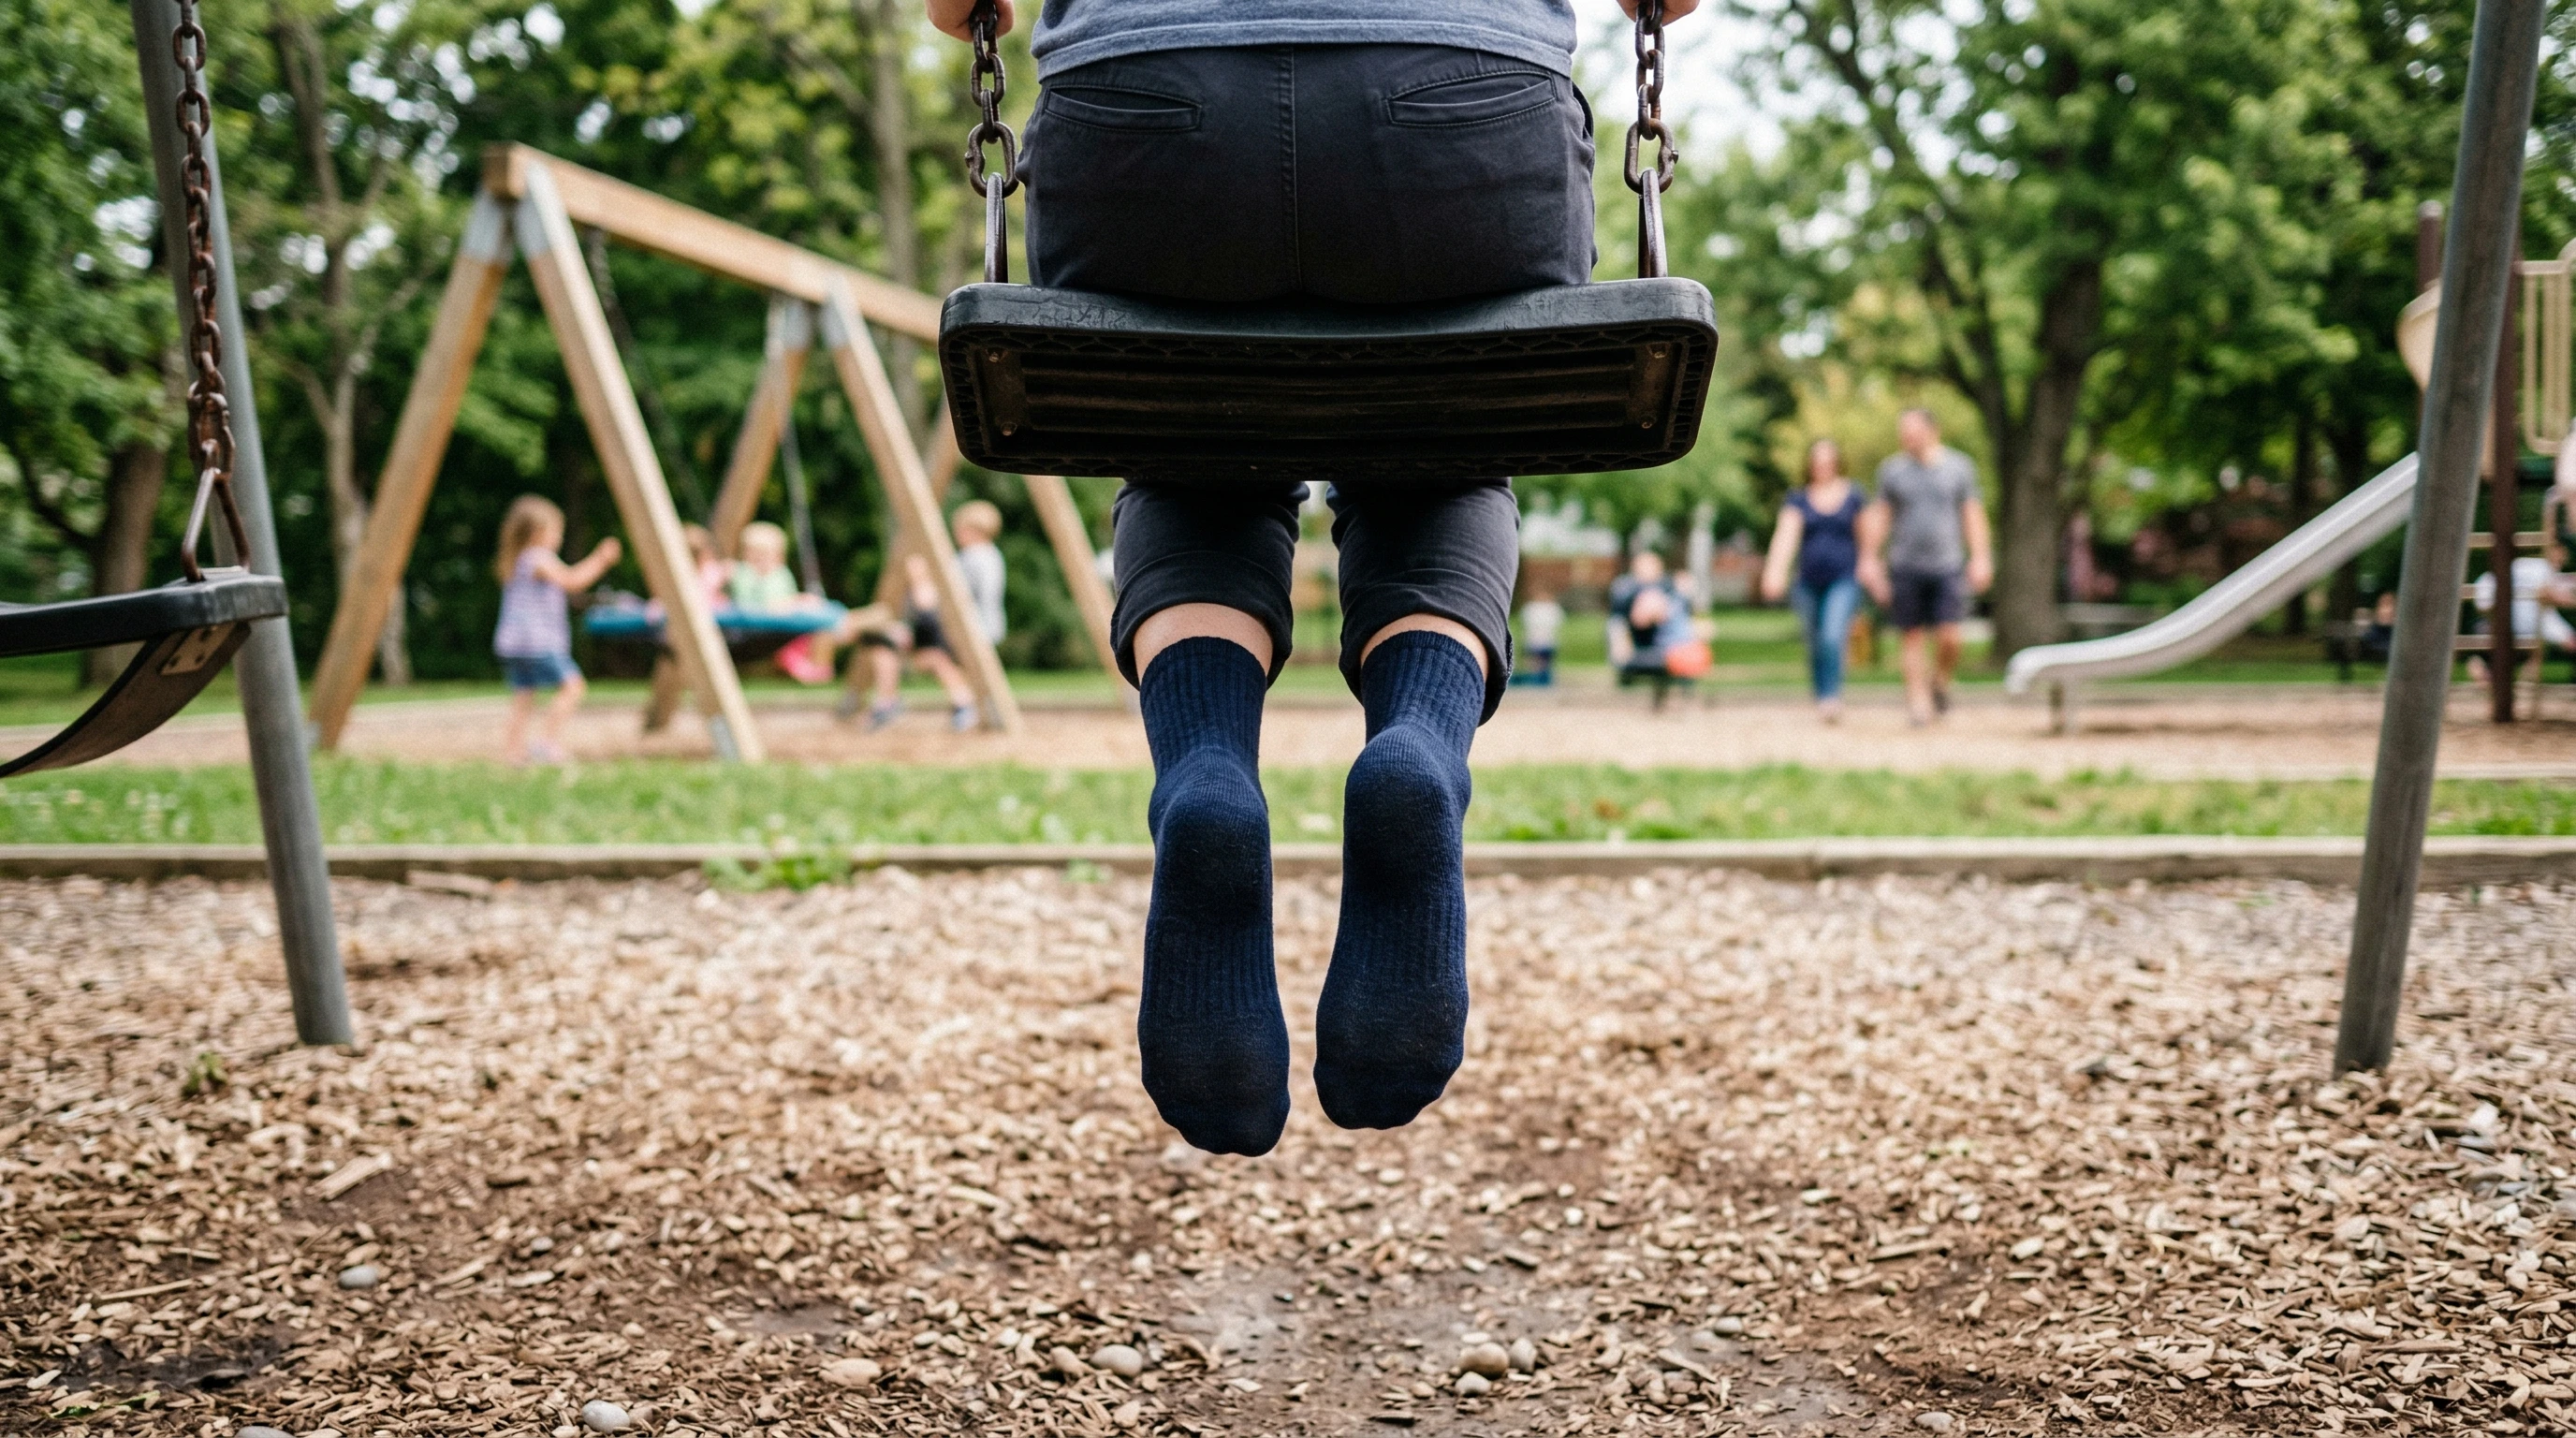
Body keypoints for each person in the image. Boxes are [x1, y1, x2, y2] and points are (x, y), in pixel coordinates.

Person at [926, 0, 1699, 1155]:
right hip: (1459, 124)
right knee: (1443, 460)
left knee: (1188, 463)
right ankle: (1419, 753)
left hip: (1148, 129)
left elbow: (956, 8)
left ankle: (1202, 775)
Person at [1860, 408, 1993, 726]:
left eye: (1912, 431)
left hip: (1947, 565)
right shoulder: (1892, 471)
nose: (1906, 438)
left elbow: (1972, 514)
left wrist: (1981, 557)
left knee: (1950, 637)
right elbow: (1881, 516)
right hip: (1905, 564)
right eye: (1903, 432)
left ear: (1932, 430)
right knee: (1912, 636)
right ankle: (1918, 703)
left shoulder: (1959, 467)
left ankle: (1940, 682)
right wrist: (1869, 558)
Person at [491, 494, 621, 765]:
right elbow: (571, 581)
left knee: (523, 697)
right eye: (556, 531)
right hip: (536, 641)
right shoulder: (538, 558)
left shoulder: (519, 561)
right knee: (573, 686)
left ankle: (512, 753)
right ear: (539, 532)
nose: (559, 538)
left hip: (514, 642)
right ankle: (546, 743)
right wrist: (601, 559)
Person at [1760, 438, 1866, 723]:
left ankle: (1831, 697)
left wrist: (1869, 566)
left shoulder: (1853, 495)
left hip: (1843, 579)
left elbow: (1865, 536)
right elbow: (1786, 536)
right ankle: (1821, 695)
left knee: (1833, 636)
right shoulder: (1799, 498)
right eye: (1817, 461)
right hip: (1807, 583)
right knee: (1816, 642)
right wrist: (1775, 572)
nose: (1823, 467)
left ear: (1837, 463)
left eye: (1828, 461)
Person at [854, 552, 983, 731]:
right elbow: (905, 621)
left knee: (936, 658)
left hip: (935, 645)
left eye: (917, 567)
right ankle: (887, 702)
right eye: (910, 567)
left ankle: (963, 703)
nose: (912, 571)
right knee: (880, 646)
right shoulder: (904, 593)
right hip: (920, 645)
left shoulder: (939, 590)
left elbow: (931, 624)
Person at [1510, 590, 1564, 687]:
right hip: (1534, 640)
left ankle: (1544, 680)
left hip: (1547, 640)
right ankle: (1536, 680)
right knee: (1536, 663)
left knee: (1545, 662)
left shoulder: (1551, 609)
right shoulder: (1531, 609)